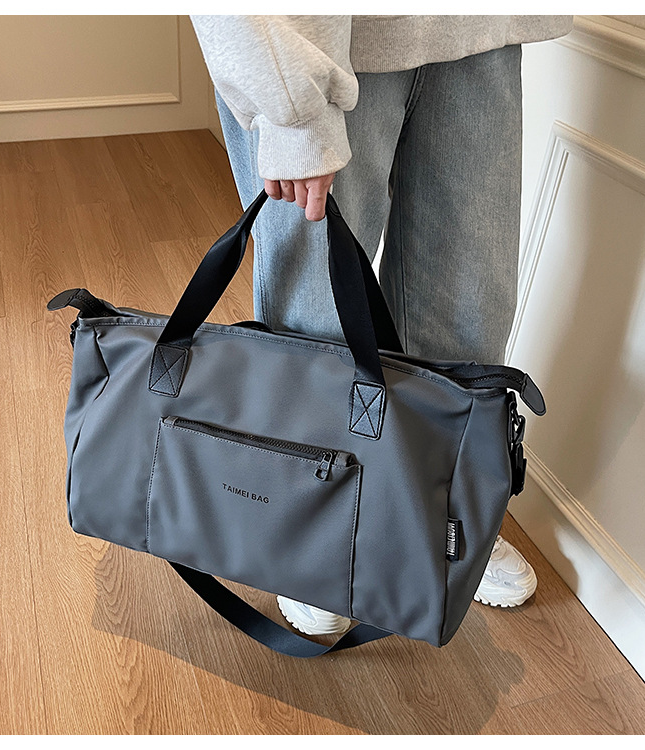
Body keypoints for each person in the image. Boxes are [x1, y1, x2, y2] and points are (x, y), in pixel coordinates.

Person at [190, 14, 572, 636]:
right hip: (319, 38)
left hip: (479, 28)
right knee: (316, 321)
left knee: (468, 307)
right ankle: (312, 538)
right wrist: (289, 106)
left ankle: (434, 519)